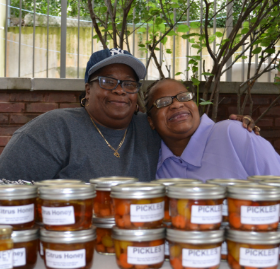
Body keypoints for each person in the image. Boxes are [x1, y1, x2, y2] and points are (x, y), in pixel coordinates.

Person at [0, 48, 258, 182]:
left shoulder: (151, 129)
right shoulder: (52, 130)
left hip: (136, 248)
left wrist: (236, 129)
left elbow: (190, 136)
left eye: (129, 84)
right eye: (107, 81)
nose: (120, 90)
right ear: (87, 90)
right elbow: (7, 191)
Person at [145, 78, 280, 182]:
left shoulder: (233, 134)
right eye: (163, 102)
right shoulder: (156, 165)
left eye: (184, 97)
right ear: (151, 121)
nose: (177, 104)